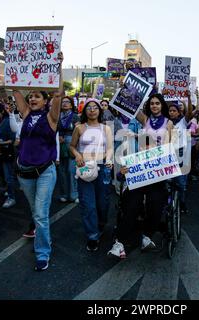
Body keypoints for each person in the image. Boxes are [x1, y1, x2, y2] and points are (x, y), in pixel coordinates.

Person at [13, 52, 64, 271]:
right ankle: (43, 239)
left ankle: (43, 253)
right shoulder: (24, 114)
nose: (32, 99)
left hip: (45, 171)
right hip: (24, 172)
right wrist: (14, 61)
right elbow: (15, 89)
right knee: (36, 213)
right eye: (30, 95)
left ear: (45, 101)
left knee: (41, 215)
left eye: (37, 96)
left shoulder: (51, 117)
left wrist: (59, 65)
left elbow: (59, 95)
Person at [107, 93, 173, 259]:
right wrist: (127, 91)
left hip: (157, 168)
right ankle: (119, 243)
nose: (154, 106)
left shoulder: (168, 123)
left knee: (155, 202)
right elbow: (133, 107)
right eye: (152, 104)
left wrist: (138, 137)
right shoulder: (145, 121)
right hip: (140, 166)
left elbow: (164, 146)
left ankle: (147, 236)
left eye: (157, 103)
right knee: (131, 202)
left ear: (162, 105)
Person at [70, 99, 114, 252]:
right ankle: (92, 236)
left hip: (103, 168)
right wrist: (77, 155)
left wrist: (109, 159)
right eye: (89, 107)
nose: (92, 110)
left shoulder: (106, 128)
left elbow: (110, 148)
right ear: (84, 111)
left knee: (103, 203)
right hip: (85, 169)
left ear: (100, 111)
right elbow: (72, 146)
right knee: (88, 204)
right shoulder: (79, 128)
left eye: (95, 107)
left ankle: (101, 225)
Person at [57, 96, 80, 203]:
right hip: (60, 144)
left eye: (67, 102)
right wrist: (58, 136)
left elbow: (78, 131)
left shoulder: (75, 116)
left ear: (71, 105)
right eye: (63, 102)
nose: (65, 104)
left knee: (71, 170)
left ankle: (74, 194)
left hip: (71, 143)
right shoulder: (57, 116)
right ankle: (64, 194)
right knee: (61, 171)